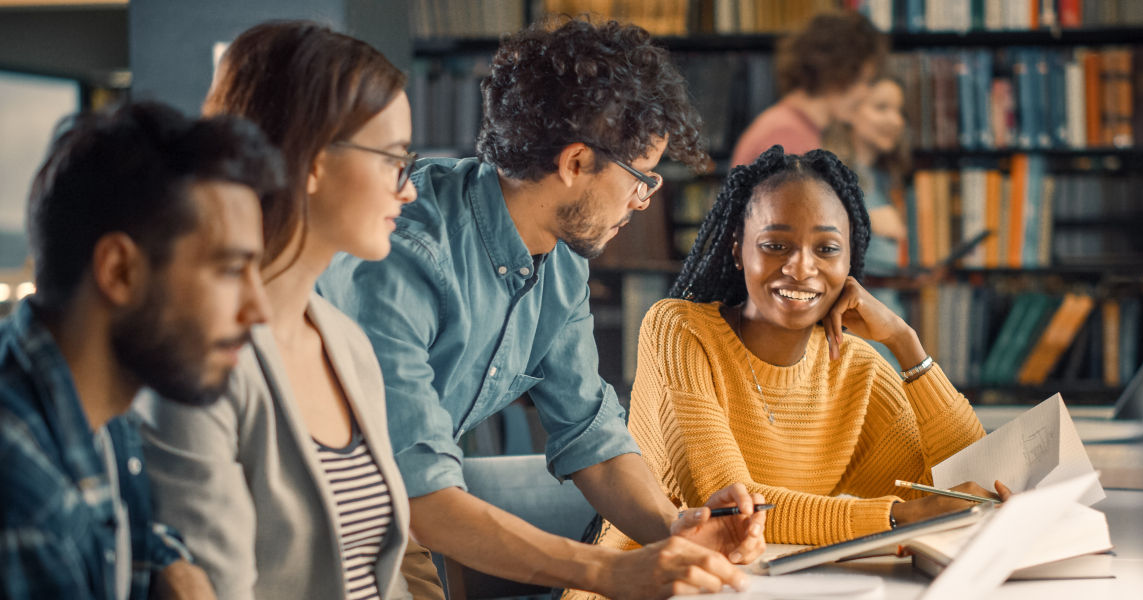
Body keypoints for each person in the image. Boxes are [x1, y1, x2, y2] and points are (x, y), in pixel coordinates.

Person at [317, 18, 765, 599]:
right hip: (312, 516)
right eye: (641, 178)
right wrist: (608, 571)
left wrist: (677, 532)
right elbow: (421, 495)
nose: (641, 201)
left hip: (400, 514)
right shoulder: (404, 255)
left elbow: (590, 435)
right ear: (575, 163)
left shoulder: (561, 260)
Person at [594, 146, 1009, 552]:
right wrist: (900, 517)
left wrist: (905, 341)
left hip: (771, 580)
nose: (801, 268)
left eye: (826, 249)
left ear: (849, 261)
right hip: (644, 577)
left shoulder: (856, 368)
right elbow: (731, 506)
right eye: (776, 245)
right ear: (738, 249)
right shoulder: (680, 331)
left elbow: (966, 485)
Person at [137, 22, 417, 600]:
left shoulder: (348, 343)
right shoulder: (199, 362)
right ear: (312, 161)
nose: (407, 189)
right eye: (394, 159)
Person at [0, 101, 279, 599]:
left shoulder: (100, 406)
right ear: (120, 271)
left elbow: (128, 532)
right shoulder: (24, 500)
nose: (260, 311)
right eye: (232, 270)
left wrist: (169, 561)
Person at [823, 74, 914, 367]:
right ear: (850, 112)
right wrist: (869, 220)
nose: (895, 121)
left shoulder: (886, 178)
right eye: (881, 108)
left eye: (899, 111)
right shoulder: (831, 174)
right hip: (853, 325)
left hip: (887, 309)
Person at [729, 11, 887, 167]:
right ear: (837, 72)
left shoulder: (793, 128)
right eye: (863, 81)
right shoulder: (786, 135)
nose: (866, 93)